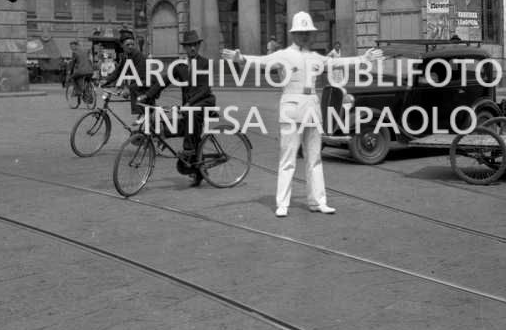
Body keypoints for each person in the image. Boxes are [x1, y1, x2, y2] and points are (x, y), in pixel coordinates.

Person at [223, 12, 382, 217]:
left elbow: (337, 64)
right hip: (291, 108)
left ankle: (318, 201)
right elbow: (262, 61)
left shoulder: (316, 57)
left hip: (312, 109)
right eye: (301, 32)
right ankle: (282, 203)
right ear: (293, 34)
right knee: (288, 157)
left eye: (308, 32)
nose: (305, 36)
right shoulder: (283, 55)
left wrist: (364, 58)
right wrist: (241, 58)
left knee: (314, 157)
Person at [139, 30, 216, 187]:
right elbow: (164, 81)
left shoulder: (205, 63)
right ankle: (198, 169)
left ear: (199, 46)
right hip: (189, 106)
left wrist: (189, 103)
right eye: (189, 46)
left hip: (204, 101)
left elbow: (204, 89)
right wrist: (147, 95)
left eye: (195, 45)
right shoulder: (179, 66)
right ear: (185, 48)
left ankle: (188, 150)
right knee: (184, 125)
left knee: (190, 118)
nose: (193, 48)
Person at [101, 36, 149, 121]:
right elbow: (118, 71)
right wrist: (106, 80)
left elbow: (140, 75)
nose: (130, 46)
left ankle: (143, 114)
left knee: (135, 90)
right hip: (138, 80)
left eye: (132, 44)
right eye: (128, 45)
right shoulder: (125, 56)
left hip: (145, 80)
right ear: (122, 46)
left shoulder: (138, 55)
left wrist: (128, 89)